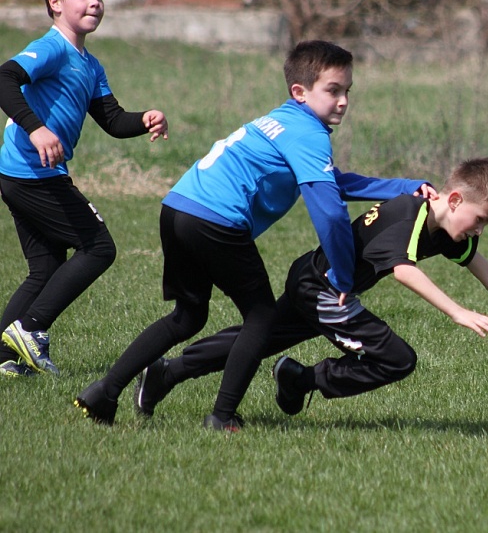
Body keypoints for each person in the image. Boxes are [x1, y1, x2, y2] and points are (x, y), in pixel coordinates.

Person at [75, 40, 434, 429]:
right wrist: (343, 276)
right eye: (333, 90)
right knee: (261, 318)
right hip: (216, 220)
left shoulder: (283, 120)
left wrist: (403, 187)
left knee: (187, 316)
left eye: (347, 90)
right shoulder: (308, 134)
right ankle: (222, 416)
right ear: (300, 91)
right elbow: (331, 213)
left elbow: (333, 183)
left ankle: (103, 392)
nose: (344, 101)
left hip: (178, 206)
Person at [130, 156, 488, 424]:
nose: (479, 230)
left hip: (314, 279)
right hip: (324, 288)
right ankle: (301, 379)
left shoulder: (448, 230)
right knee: (396, 357)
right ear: (454, 200)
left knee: (258, 339)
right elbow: (404, 271)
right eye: (480, 219)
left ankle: (166, 374)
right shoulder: (410, 213)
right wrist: (458, 312)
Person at [0, 0, 169, 377]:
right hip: (32, 174)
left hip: (24, 175)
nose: (95, 2)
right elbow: (4, 77)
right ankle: (30, 328)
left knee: (45, 268)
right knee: (98, 247)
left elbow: (112, 120)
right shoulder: (52, 48)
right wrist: (36, 129)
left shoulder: (90, 65)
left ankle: (4, 357)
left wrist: (145, 118)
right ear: (55, 2)